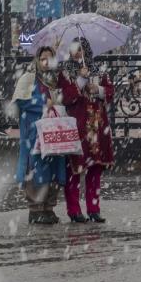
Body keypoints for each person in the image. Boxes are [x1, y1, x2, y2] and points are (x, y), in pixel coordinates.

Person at [61, 38, 114, 223]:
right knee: (74, 169)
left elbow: (110, 92)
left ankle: (94, 208)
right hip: (77, 125)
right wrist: (81, 80)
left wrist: (97, 89)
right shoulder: (66, 72)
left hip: (97, 126)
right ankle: (74, 210)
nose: (78, 53)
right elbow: (66, 97)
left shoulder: (98, 69)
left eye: (81, 50)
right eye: (74, 49)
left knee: (95, 168)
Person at [13, 46, 68, 225]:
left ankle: (48, 207)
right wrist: (44, 103)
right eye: (42, 58)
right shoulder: (28, 79)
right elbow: (22, 102)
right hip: (34, 132)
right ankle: (36, 209)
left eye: (49, 58)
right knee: (36, 169)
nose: (46, 62)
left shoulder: (55, 80)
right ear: (37, 59)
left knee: (53, 168)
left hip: (52, 133)